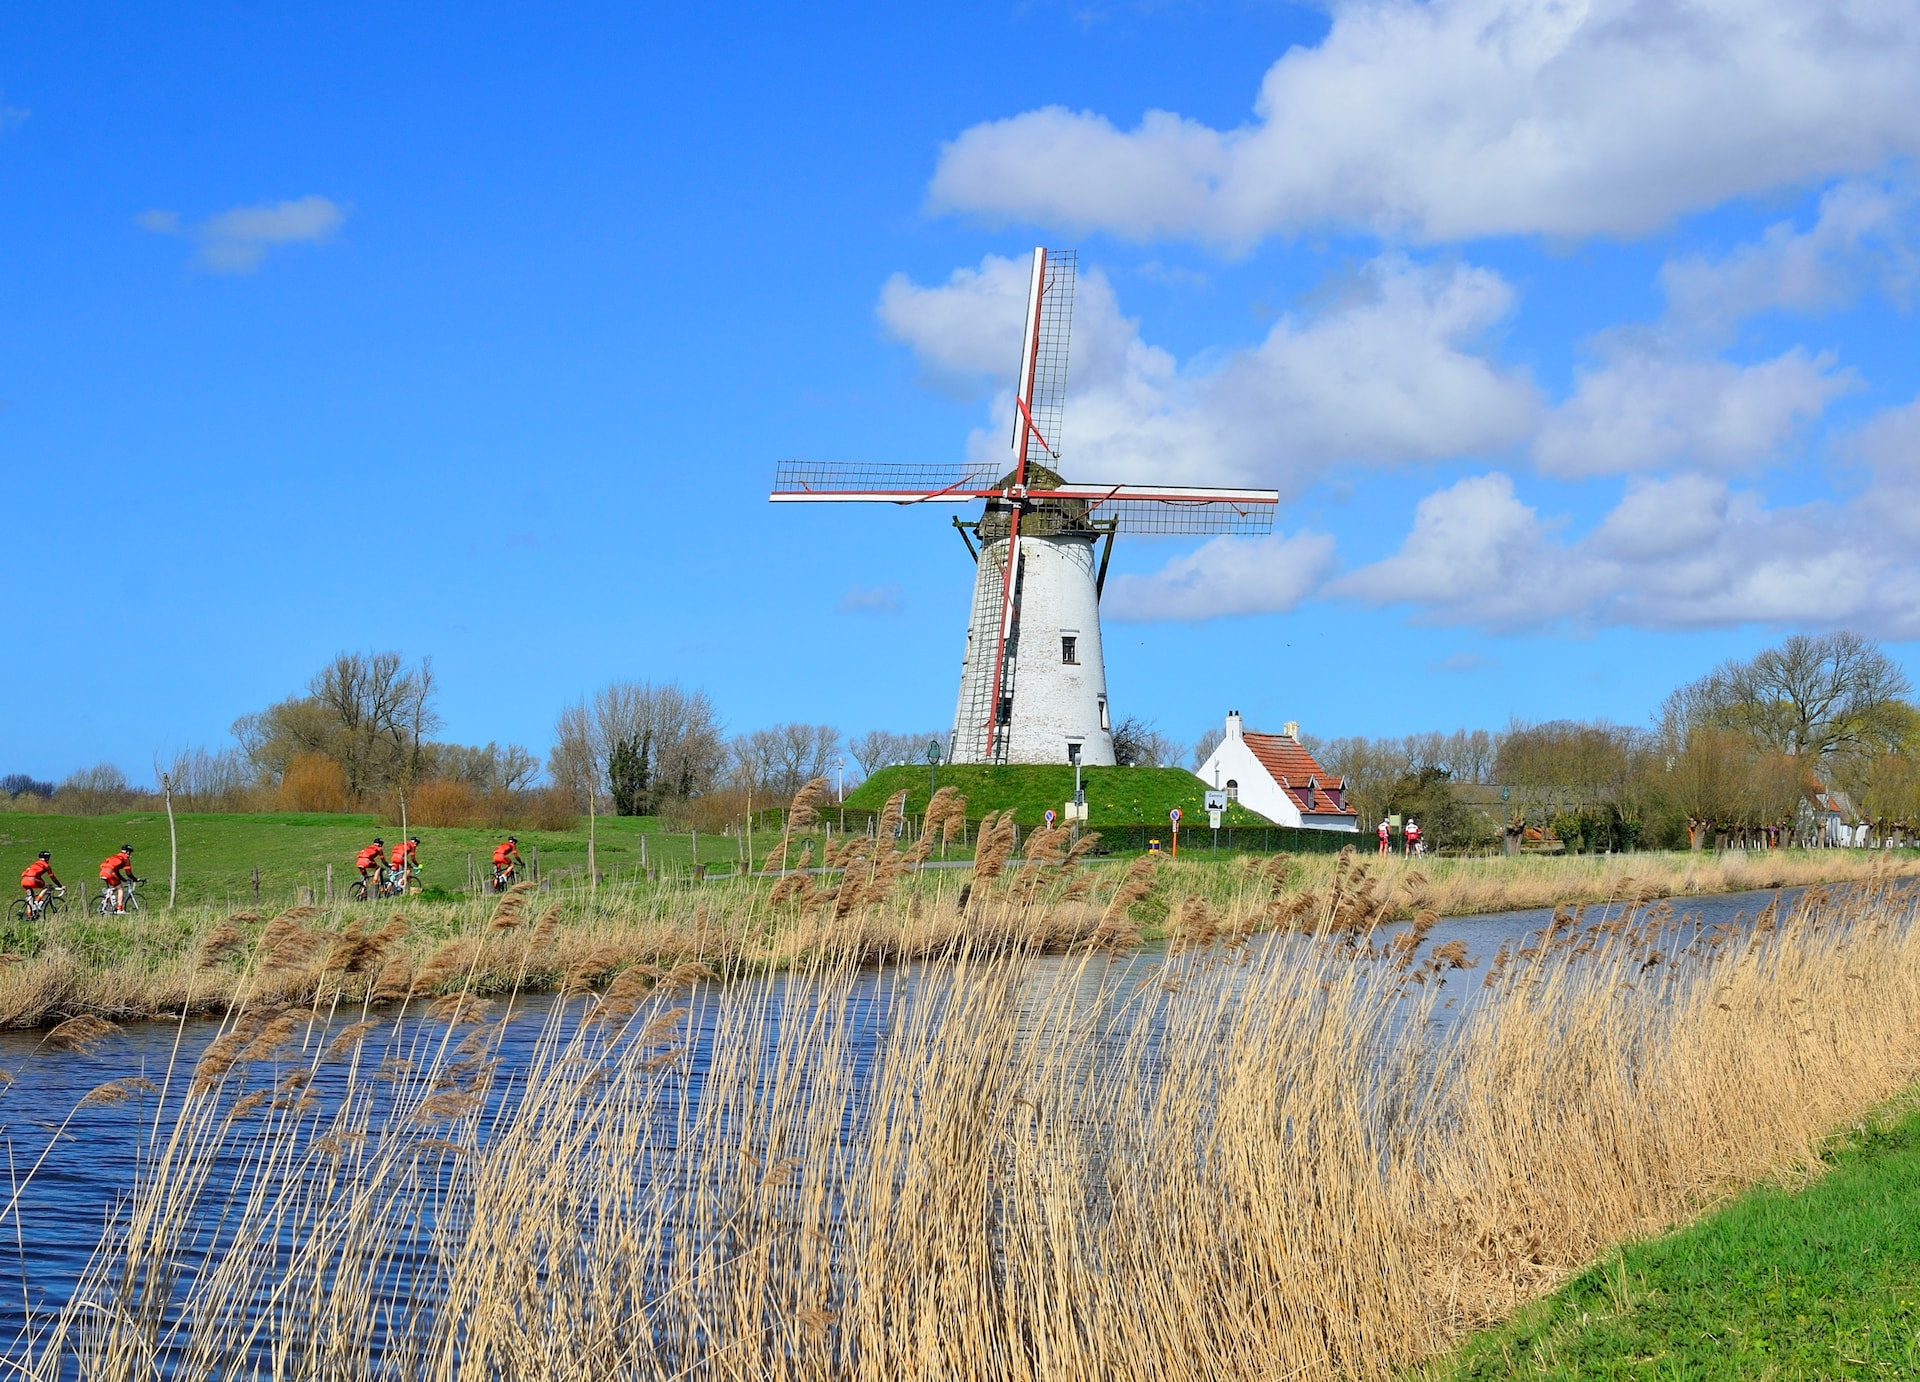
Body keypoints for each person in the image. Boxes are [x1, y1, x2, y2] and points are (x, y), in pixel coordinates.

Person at [98, 844, 138, 914]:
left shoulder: (116, 856)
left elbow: (117, 872)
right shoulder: (125, 858)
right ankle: (120, 909)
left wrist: (123, 880)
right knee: (120, 889)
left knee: (113, 888)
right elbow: (129, 873)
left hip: (103, 872)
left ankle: (104, 904)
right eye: (130, 852)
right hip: (110, 872)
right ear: (128, 852)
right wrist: (135, 879)